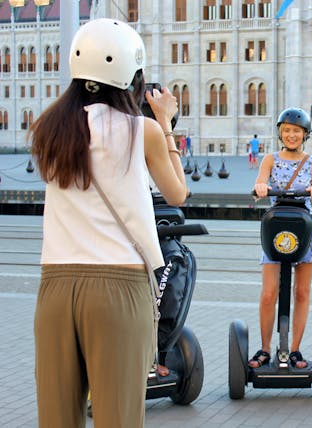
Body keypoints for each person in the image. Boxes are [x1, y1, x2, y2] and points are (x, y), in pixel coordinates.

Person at [30, 18, 188, 428]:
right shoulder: (143, 131)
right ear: (130, 74)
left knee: (57, 420)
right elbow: (178, 194)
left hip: (55, 288)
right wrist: (165, 122)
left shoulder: (49, 130)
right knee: (118, 418)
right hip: (119, 288)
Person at [249, 107, 312, 369]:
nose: (292, 135)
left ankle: (294, 350)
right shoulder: (269, 159)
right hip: (276, 229)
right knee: (269, 293)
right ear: (281, 133)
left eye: (297, 131)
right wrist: (260, 187)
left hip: (305, 229)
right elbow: (260, 183)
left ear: (305, 134)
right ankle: (265, 348)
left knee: (302, 292)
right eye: (287, 131)